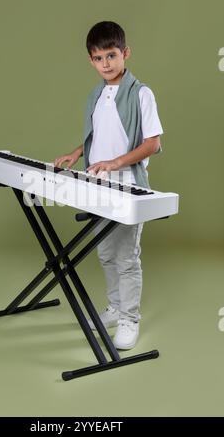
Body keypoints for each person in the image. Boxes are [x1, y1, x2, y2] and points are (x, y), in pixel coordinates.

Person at [53, 21, 163, 349]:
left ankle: (130, 318)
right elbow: (98, 139)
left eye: (112, 56)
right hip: (98, 187)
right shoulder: (96, 95)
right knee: (104, 254)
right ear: (91, 61)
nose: (106, 64)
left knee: (127, 256)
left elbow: (153, 143)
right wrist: (76, 153)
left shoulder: (141, 93)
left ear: (125, 53)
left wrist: (116, 163)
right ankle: (115, 307)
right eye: (99, 58)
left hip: (128, 186)